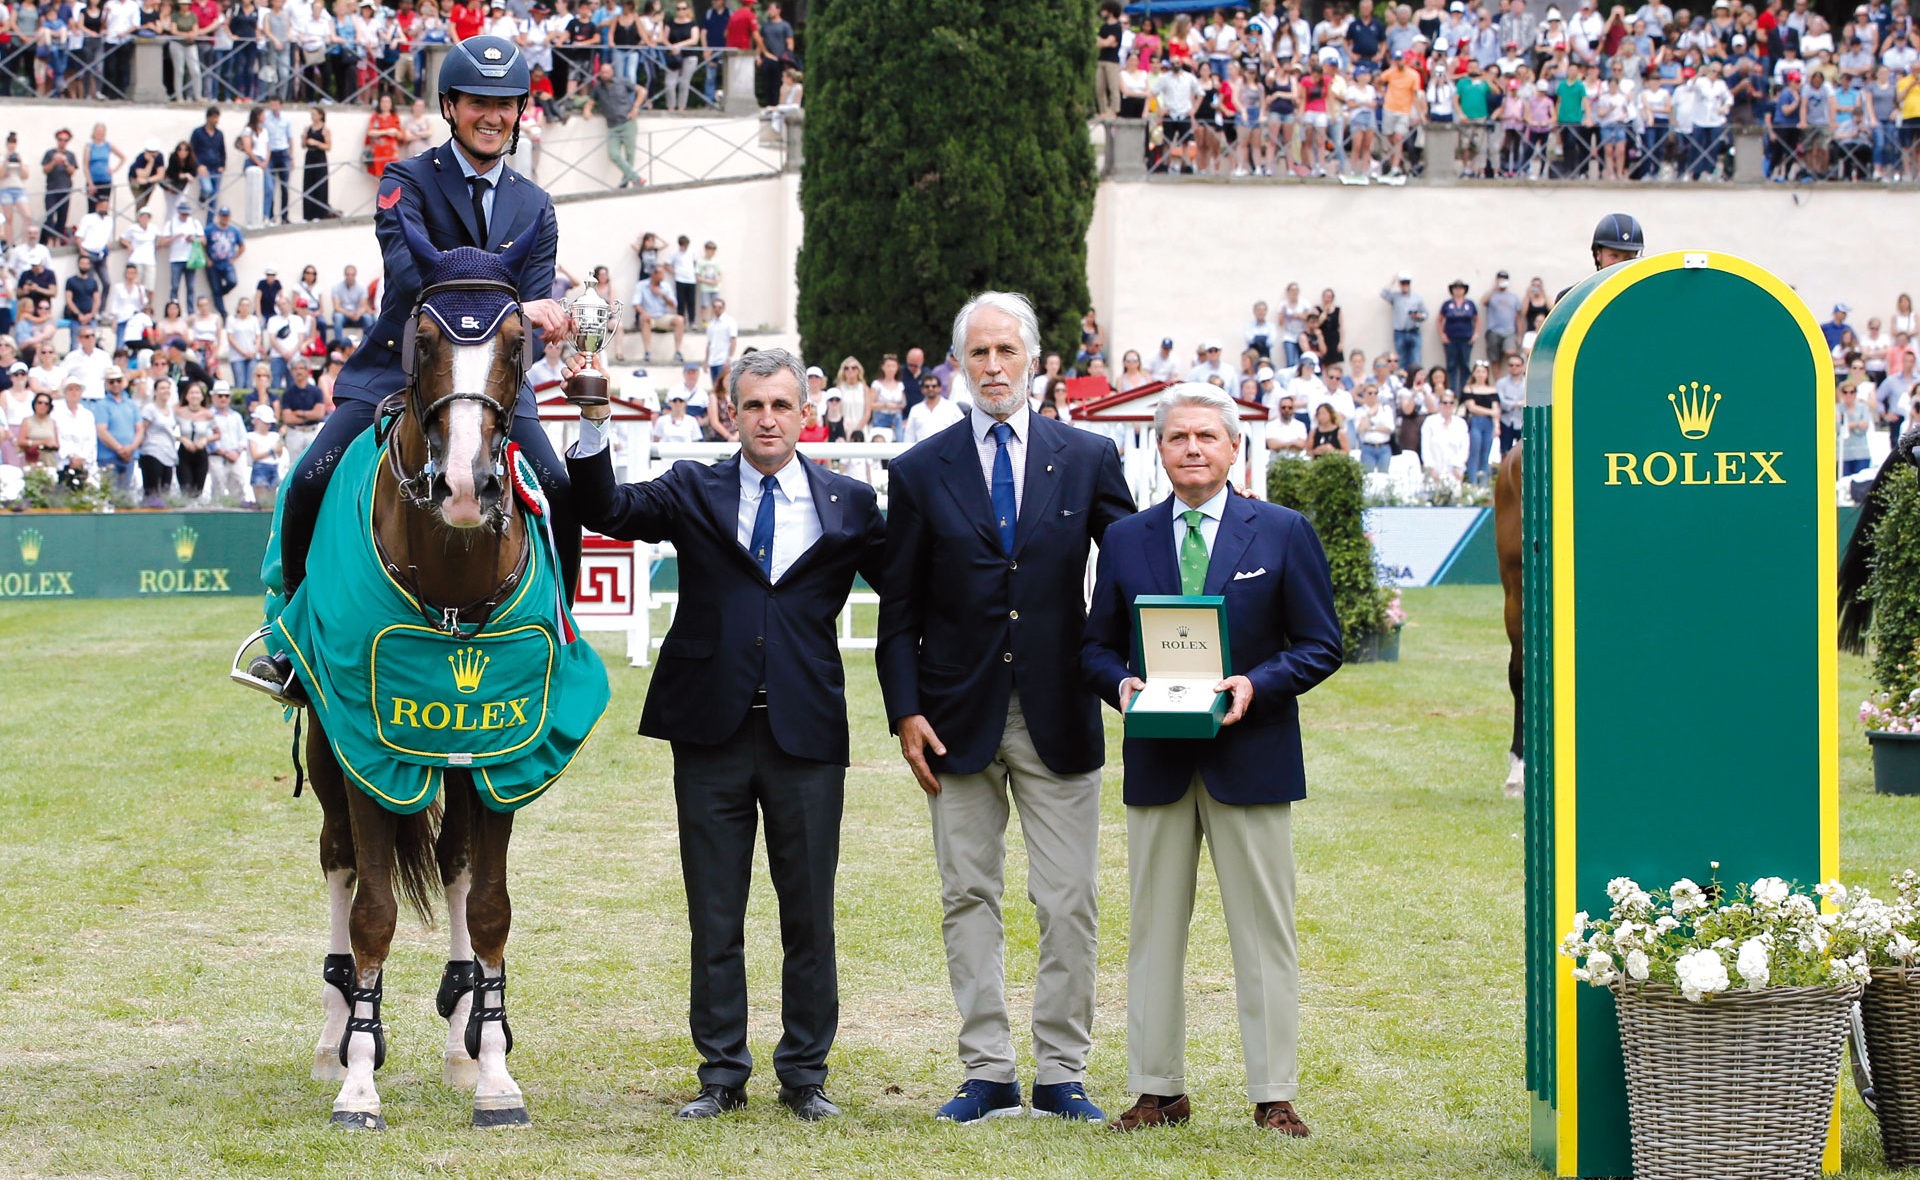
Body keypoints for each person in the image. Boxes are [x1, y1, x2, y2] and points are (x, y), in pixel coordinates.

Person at [567, 347, 885, 1123]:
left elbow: (913, 596)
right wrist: (593, 418)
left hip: (807, 733)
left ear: (805, 411)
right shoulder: (691, 489)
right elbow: (606, 510)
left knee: (809, 912)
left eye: (781, 405)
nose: (768, 419)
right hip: (709, 730)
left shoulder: (851, 502)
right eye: (753, 406)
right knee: (715, 912)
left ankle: (805, 1074)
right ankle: (721, 1074)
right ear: (728, 412)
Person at [248, 35, 584, 700]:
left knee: (559, 486)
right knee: (311, 476)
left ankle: (562, 631)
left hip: (492, 383)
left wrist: (548, 320)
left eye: (506, 104)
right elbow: (408, 279)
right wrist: (513, 299)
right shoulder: (404, 180)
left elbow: (533, 307)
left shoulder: (535, 205)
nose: (493, 115)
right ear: (452, 105)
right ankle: (288, 638)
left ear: (520, 112)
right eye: (479, 102)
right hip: (401, 369)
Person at [876, 290, 1134, 1126]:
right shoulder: (920, 471)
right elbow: (899, 608)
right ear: (959, 366)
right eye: (978, 354)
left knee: (1069, 901)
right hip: (953, 718)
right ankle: (986, 1070)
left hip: (1060, 710)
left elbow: (1133, 572)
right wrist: (904, 711)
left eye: (1006, 352)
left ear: (1034, 361)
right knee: (967, 895)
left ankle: (1062, 1072)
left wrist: (1135, 666)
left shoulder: (1088, 457)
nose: (993, 367)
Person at [1083, 382, 1342, 1138]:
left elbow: (1321, 643)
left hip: (1252, 757)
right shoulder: (1127, 539)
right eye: (1177, 439)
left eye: (1206, 437)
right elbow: (1095, 647)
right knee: (1153, 928)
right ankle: (1156, 1090)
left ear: (1235, 448)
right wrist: (1121, 684)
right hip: (1159, 759)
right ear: (1157, 450)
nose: (1192, 450)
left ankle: (1273, 1092)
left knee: (1264, 931)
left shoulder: (1284, 531)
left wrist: (1254, 685)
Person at [582, 61, 646, 189]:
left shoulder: (622, 82)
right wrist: (586, 110)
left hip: (627, 122)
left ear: (612, 72)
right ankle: (637, 179)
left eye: (607, 71)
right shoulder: (598, 88)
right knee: (613, 154)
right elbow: (590, 102)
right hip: (612, 126)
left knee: (630, 154)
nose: (605, 74)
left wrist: (636, 108)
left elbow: (642, 91)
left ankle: (624, 183)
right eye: (603, 72)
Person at [1381, 271, 1428, 372]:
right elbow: (1383, 293)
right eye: (1402, 283)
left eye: (1407, 283)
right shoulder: (1395, 297)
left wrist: (1418, 316)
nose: (1405, 285)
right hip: (1400, 333)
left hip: (1414, 332)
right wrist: (1393, 281)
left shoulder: (1417, 297)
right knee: (1401, 361)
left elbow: (1425, 314)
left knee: (1416, 361)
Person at [1461, 357, 1499, 483]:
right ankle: (1473, 483)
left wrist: (1497, 425)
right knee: (1474, 454)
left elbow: (1496, 408)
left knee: (1485, 454)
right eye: (1478, 371)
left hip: (1488, 424)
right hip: (1475, 422)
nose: (1480, 374)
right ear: (1474, 373)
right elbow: (1472, 407)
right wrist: (1490, 412)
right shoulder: (1469, 388)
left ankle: (1484, 485)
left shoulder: (1492, 390)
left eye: (1483, 371)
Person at [899, 372, 961, 447]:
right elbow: (909, 435)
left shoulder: (952, 407)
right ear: (922, 389)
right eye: (927, 386)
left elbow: (961, 430)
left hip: (946, 451)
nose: (930, 389)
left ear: (940, 388)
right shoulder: (916, 409)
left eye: (934, 386)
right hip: (921, 452)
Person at [1420, 387, 1469, 481]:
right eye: (1445, 403)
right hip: (1434, 471)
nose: (1448, 405)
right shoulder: (1430, 422)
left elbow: (1464, 448)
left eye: (1451, 403)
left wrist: (1457, 467)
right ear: (1439, 404)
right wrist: (1430, 468)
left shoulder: (1461, 423)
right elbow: (1425, 447)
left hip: (1455, 472)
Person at [248, 402, 284, 505]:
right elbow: (255, 456)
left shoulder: (274, 435)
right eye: (265, 422)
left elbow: (280, 452)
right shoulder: (252, 436)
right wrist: (272, 450)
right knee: (262, 502)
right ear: (256, 421)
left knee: (271, 502)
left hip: (274, 467)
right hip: (260, 468)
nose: (267, 425)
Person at [302, 107, 335, 221]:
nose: (312, 116)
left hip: (320, 157)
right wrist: (304, 139)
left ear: (321, 115)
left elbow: (328, 146)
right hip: (309, 156)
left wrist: (316, 142)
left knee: (320, 185)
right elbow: (304, 145)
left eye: (315, 114)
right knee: (308, 184)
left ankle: (319, 214)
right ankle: (307, 215)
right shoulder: (308, 128)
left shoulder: (325, 130)